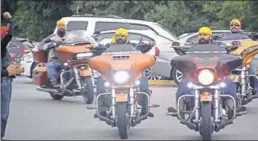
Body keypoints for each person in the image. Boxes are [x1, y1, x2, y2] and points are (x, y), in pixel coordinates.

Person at [167, 27, 244, 118]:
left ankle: (232, 107)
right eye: (200, 35)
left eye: (205, 34)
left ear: (210, 37)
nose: (202, 36)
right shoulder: (191, 47)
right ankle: (180, 107)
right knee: (184, 83)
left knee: (228, 82)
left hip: (216, 76)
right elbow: (183, 52)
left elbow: (228, 50)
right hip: (196, 76)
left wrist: (233, 46)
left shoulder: (219, 46)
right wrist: (178, 47)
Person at [95, 28, 154, 118]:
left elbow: (142, 49)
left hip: (131, 74)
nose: (120, 38)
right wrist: (95, 48)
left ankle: (145, 109)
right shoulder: (107, 47)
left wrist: (148, 45)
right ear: (115, 36)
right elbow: (98, 51)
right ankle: (101, 109)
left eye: (122, 36)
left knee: (143, 85)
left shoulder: (134, 47)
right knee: (100, 82)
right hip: (111, 75)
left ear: (126, 37)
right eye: (118, 36)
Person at [1, 12, 21, 139]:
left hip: (4, 82)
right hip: (4, 76)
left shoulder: (1, 47)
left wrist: (10, 20)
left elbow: (9, 35)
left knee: (3, 115)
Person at [40, 19, 67, 87]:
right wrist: (49, 45)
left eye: (63, 25)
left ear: (65, 26)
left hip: (68, 59)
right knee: (51, 66)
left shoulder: (69, 36)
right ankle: (53, 81)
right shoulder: (53, 37)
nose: (61, 26)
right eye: (59, 25)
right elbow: (42, 43)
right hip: (55, 59)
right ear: (57, 27)